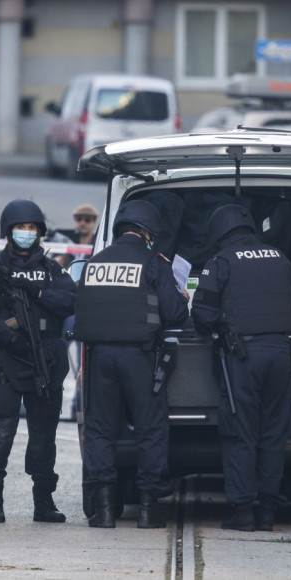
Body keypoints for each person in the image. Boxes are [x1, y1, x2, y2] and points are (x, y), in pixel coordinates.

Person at [74, 199, 189, 529]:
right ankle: (149, 511)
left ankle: (105, 510)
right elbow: (175, 314)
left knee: (100, 432)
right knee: (150, 430)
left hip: (99, 358)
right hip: (139, 357)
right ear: (149, 233)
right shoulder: (153, 261)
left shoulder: (95, 263)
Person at [190, 204, 291, 532]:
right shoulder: (279, 256)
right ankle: (267, 511)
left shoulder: (220, 262)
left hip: (243, 356)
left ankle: (243, 511)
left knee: (240, 433)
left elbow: (203, 316)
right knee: (273, 433)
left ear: (219, 233)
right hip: (281, 353)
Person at [0, 199, 75, 524]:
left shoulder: (50, 269)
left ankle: (43, 501)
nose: (27, 233)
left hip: (44, 362)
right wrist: (6, 336)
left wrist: (39, 293)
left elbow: (72, 300)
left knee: (44, 436)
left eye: (32, 228)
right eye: (21, 228)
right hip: (6, 363)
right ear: (8, 231)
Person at [51, 203, 99, 268]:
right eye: (79, 219)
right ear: (75, 221)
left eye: (87, 220)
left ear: (94, 223)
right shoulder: (65, 243)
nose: (82, 223)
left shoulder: (99, 244)